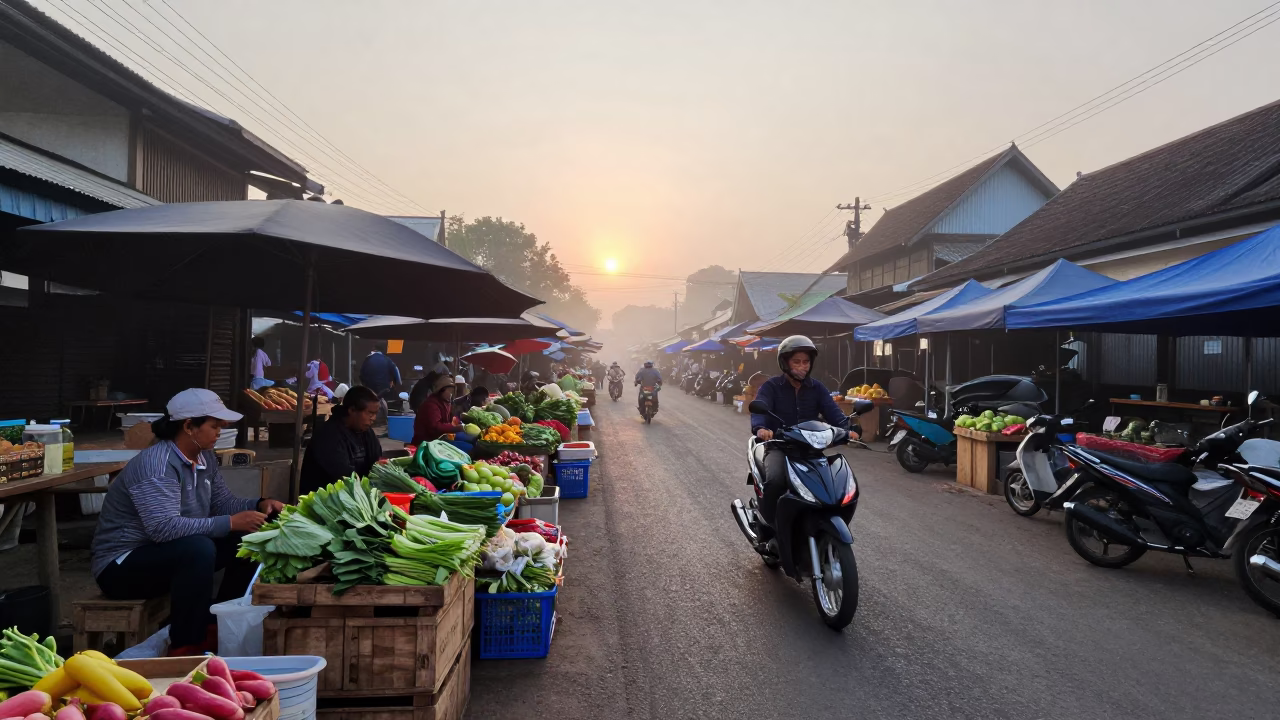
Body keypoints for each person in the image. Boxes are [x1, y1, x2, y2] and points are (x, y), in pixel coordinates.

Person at [91, 389, 285, 656]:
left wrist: (260, 504)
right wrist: (229, 522)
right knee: (198, 549)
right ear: (189, 426)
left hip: (172, 553)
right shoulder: (157, 465)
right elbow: (163, 528)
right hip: (121, 566)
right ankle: (186, 644)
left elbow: (223, 503)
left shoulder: (204, 458)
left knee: (252, 535)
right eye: (214, 425)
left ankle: (220, 622)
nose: (220, 431)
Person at [750, 336, 855, 528]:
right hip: (779, 447)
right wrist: (762, 428)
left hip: (810, 449)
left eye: (806, 362)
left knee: (834, 484)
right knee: (775, 481)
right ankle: (770, 525)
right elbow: (760, 409)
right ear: (785, 363)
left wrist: (848, 430)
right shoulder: (772, 386)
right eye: (796, 361)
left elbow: (833, 412)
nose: (802, 366)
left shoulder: (817, 388)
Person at [300, 386, 383, 495]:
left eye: (375, 414)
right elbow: (345, 478)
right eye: (370, 413)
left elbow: (377, 464)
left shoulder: (366, 432)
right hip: (325, 502)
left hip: (356, 496)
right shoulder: (328, 436)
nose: (373, 418)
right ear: (352, 410)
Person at [411, 374, 465, 446]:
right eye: (449, 391)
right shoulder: (431, 405)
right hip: (425, 444)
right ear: (441, 390)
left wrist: (460, 423)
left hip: (438, 441)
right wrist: (455, 428)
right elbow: (435, 427)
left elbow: (452, 419)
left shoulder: (446, 403)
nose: (451, 394)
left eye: (452, 391)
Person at [359, 343, 401, 423]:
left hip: (370, 387)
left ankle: (371, 420)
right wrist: (394, 382)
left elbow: (361, 374)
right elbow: (396, 371)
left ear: (374, 349)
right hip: (384, 387)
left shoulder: (367, 359)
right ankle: (384, 420)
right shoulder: (387, 359)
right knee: (382, 400)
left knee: (372, 401)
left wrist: (364, 385)